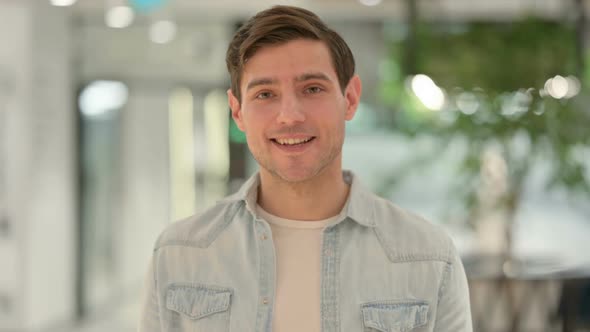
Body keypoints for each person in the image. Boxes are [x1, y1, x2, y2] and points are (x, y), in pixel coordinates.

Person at [138, 5, 472, 332]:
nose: (290, 115)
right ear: (237, 112)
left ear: (351, 98)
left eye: (312, 89)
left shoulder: (427, 257)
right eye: (265, 94)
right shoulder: (180, 254)